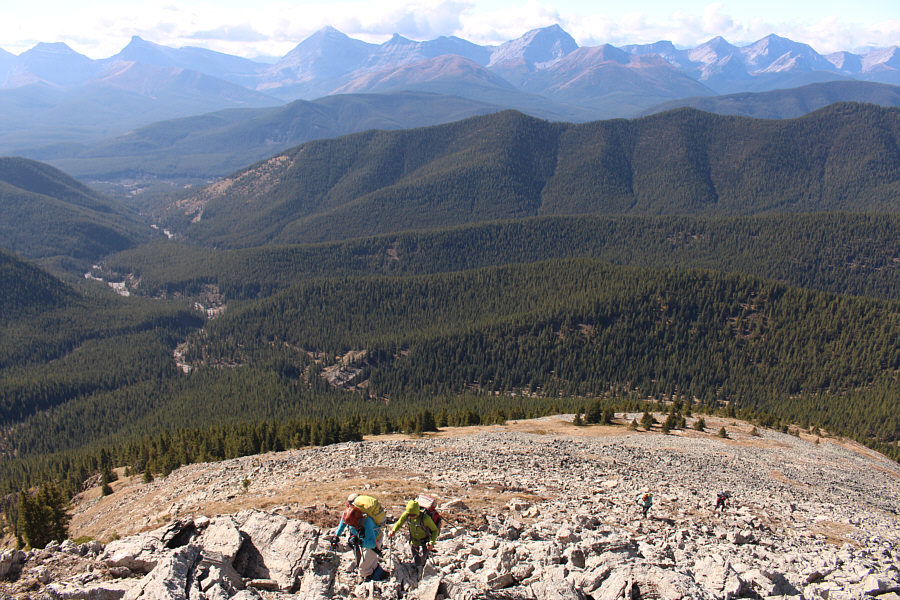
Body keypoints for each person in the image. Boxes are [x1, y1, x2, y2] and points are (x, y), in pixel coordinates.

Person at [331, 503, 388, 581]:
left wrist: (360, 542)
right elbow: (343, 524)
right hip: (365, 540)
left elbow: (372, 543)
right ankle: (382, 575)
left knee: (363, 570)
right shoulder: (349, 516)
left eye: (351, 524)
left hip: (375, 541)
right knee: (370, 562)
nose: (349, 526)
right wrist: (336, 536)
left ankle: (375, 580)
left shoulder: (367, 522)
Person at [389, 500, 439, 567]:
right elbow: (399, 523)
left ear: (417, 512)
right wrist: (393, 531)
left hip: (425, 541)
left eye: (413, 515)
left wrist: (432, 542)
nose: (411, 516)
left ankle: (424, 569)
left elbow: (435, 530)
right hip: (414, 540)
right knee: (416, 560)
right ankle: (418, 569)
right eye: (410, 515)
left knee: (423, 558)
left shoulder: (425, 519)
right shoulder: (406, 515)